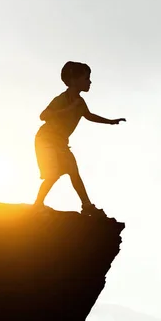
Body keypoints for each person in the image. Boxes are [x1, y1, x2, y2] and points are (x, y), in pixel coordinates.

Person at [33, 61, 126, 216]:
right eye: (86, 78)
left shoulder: (80, 102)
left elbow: (89, 116)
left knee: (73, 171)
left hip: (61, 142)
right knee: (53, 174)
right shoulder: (62, 99)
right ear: (74, 80)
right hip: (46, 139)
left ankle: (87, 205)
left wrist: (110, 121)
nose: (89, 82)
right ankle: (37, 205)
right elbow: (43, 116)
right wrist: (68, 109)